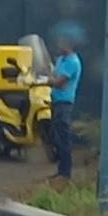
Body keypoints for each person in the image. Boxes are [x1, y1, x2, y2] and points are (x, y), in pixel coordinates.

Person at [47, 34, 82, 181]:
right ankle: (61, 170)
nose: (59, 45)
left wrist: (52, 80)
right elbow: (53, 75)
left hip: (65, 102)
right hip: (55, 100)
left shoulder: (73, 62)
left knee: (63, 138)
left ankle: (65, 173)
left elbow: (60, 81)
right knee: (56, 136)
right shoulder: (61, 59)